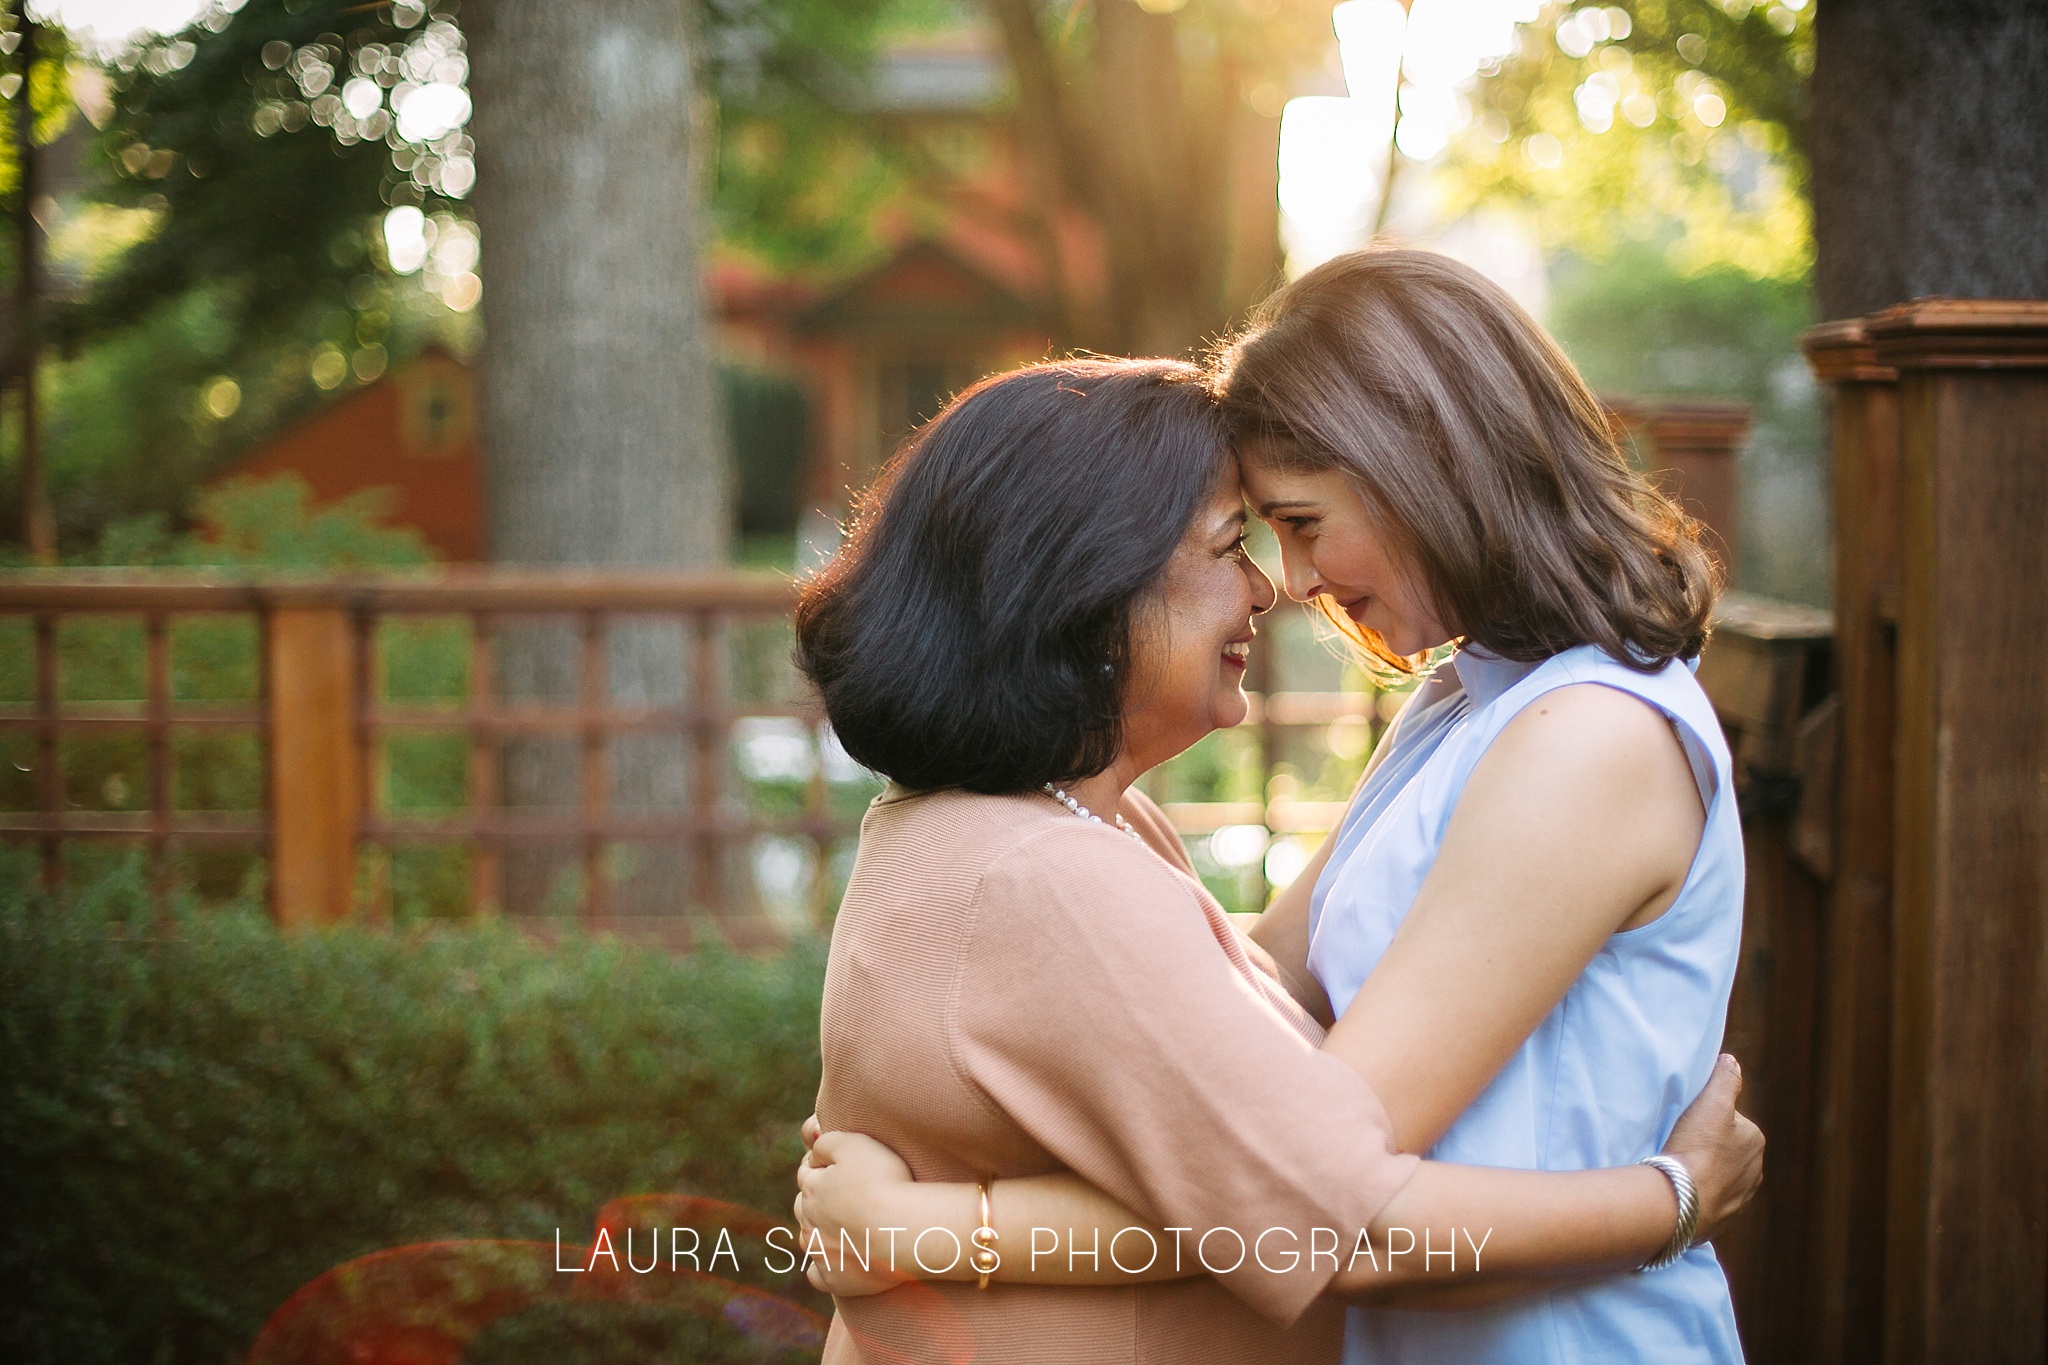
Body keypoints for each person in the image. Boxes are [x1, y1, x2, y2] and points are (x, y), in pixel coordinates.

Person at [791, 350, 1761, 1365]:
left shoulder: (1035, 828)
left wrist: (943, 1226)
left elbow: (1232, 1140)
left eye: (1291, 531)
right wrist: (1673, 1196)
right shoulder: (1045, 876)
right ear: (1087, 589)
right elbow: (1324, 1210)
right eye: (1231, 545)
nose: (1269, 588)